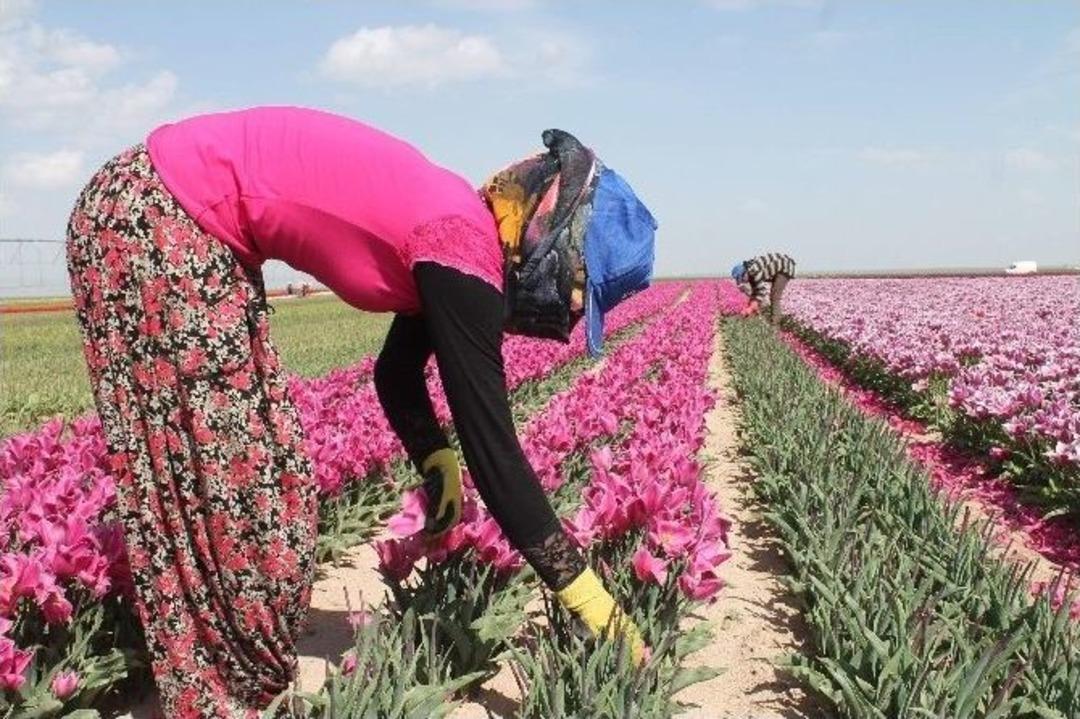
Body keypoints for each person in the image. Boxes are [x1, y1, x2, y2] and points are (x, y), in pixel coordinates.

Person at [65, 106, 655, 718]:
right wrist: (584, 591)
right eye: (586, 285)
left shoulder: (458, 232)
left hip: (160, 213)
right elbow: (496, 451)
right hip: (157, 216)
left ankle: (226, 682)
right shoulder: (462, 249)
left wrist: (434, 458)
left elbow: (395, 375)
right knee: (239, 490)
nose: (574, 302)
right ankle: (218, 695)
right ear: (557, 230)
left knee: (260, 490)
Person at [731, 252, 796, 323]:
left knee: (775, 296)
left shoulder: (753, 271)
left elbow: (761, 290)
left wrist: (751, 307)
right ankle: (752, 319)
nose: (743, 281)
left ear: (744, 273)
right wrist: (750, 307)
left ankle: (775, 323)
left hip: (784, 267)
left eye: (742, 279)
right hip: (776, 268)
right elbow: (755, 292)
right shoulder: (750, 274)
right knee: (756, 297)